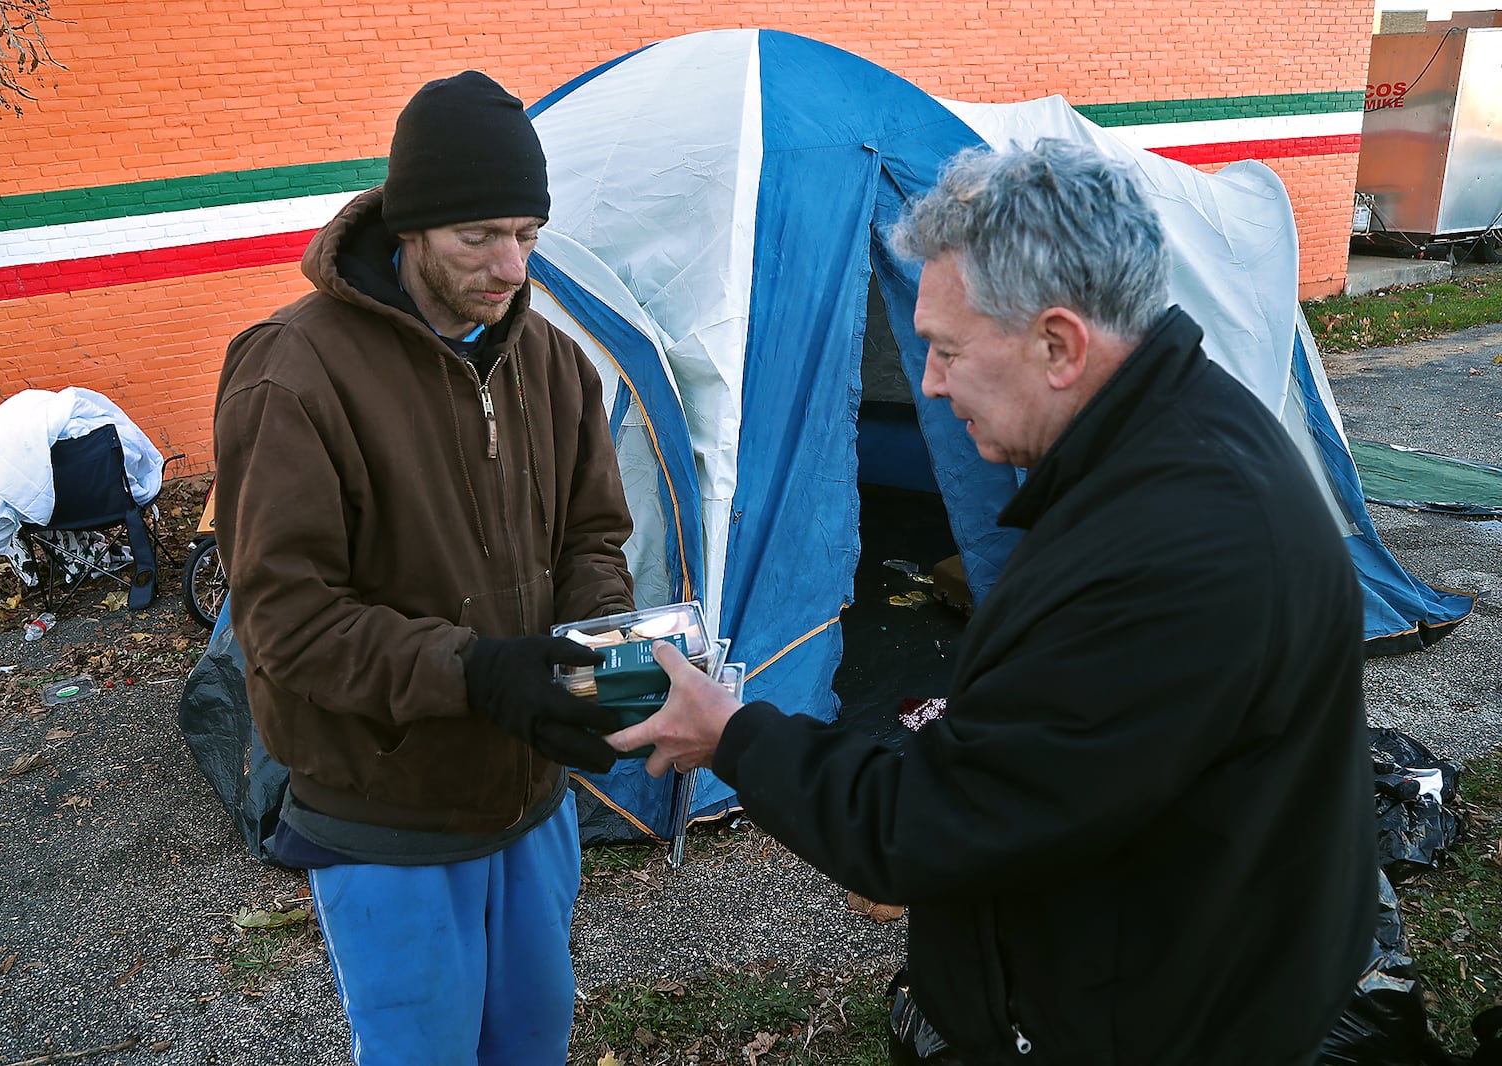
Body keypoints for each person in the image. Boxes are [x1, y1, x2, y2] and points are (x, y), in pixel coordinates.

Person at [609, 139, 1377, 1064]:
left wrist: (730, 735)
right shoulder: (1180, 432)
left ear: (1059, 344)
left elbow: (938, 823)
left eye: (943, 349)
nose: (927, 382)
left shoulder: (1176, 552)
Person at [213, 71, 635, 1064]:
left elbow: (590, 540)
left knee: (533, 1045)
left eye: (527, 233)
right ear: (410, 225)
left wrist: (598, 655)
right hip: (384, 818)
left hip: (529, 805)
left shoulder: (554, 363)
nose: (509, 265)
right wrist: (479, 671)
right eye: (477, 236)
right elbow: (288, 622)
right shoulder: (291, 373)